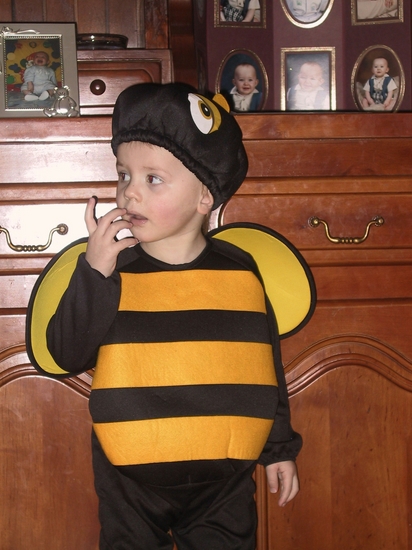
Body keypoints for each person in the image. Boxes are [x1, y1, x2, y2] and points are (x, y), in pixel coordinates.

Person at [44, 82, 302, 549]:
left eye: (153, 179)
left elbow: (265, 368)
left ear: (205, 195)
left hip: (225, 477)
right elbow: (66, 353)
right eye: (124, 175)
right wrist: (94, 272)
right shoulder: (111, 271)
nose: (130, 193)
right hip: (130, 476)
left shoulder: (241, 273)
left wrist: (278, 449)